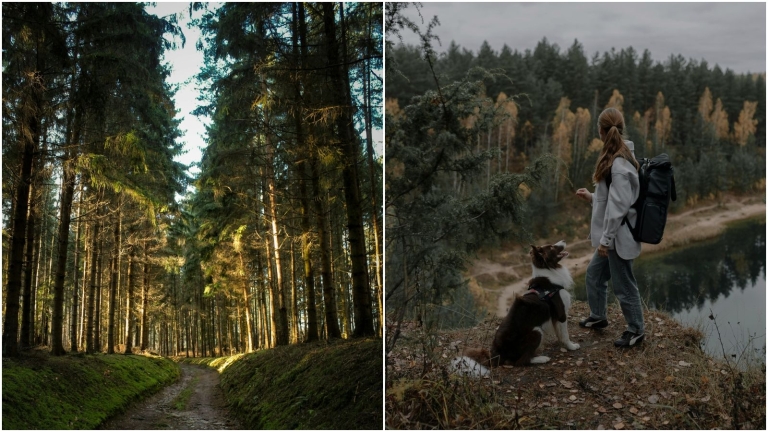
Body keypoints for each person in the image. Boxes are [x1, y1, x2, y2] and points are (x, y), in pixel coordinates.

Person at [575, 107, 645, 348]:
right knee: (594, 275)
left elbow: (619, 206)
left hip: (617, 237)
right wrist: (592, 198)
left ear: (601, 130)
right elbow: (611, 201)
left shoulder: (619, 163)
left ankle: (636, 330)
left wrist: (605, 241)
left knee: (624, 285)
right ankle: (598, 316)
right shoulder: (615, 157)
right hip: (612, 236)